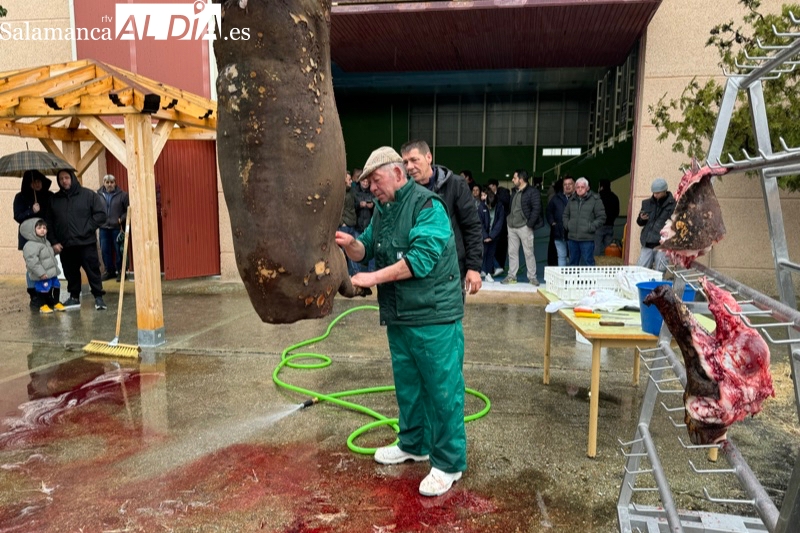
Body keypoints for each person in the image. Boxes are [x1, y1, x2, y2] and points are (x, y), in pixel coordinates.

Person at [335, 146, 466, 497]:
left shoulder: (427, 206)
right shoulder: (384, 210)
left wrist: (371, 279)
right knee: (408, 386)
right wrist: (350, 245)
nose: (371, 189)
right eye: (367, 184)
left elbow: (418, 261)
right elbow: (367, 248)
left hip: (433, 316)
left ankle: (449, 463)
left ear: (397, 173)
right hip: (400, 317)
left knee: (442, 391)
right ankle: (413, 445)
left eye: (375, 181)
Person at [401, 140, 483, 295]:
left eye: (414, 160)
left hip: (451, 271)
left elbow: (472, 227)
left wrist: (473, 268)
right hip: (417, 270)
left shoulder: (456, 185)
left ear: (428, 157)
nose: (409, 167)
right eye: (405, 162)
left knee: (449, 318)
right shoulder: (406, 192)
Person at [47, 169, 107, 310]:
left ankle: (98, 297)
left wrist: (86, 229)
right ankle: (74, 297)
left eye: (67, 177)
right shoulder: (55, 200)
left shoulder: (88, 195)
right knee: (70, 272)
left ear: (73, 178)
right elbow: (49, 222)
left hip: (86, 243)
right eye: (61, 178)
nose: (64, 181)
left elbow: (100, 215)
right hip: (66, 245)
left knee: (93, 270)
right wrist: (54, 241)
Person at [13, 170, 53, 309]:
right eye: (33, 182)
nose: (37, 184)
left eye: (39, 181)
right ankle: (34, 295)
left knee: (47, 265)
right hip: (28, 240)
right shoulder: (20, 197)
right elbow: (18, 216)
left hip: (45, 239)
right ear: (28, 184)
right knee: (32, 266)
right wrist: (31, 211)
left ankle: (47, 293)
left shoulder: (48, 196)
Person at [501, 169, 543, 285]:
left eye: (514, 178)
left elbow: (536, 209)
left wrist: (529, 224)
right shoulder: (514, 191)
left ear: (521, 179)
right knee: (512, 252)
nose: (512, 180)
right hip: (512, 226)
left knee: (528, 252)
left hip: (524, 226)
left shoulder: (532, 192)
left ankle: (532, 277)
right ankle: (511, 276)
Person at [21, 218, 65, 314]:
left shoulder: (46, 242)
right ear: (33, 230)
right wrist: (41, 273)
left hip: (51, 273)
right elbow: (32, 262)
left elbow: (49, 257)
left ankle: (56, 302)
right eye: (39, 228)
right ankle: (42, 305)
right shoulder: (30, 245)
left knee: (56, 286)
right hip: (42, 275)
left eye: (44, 228)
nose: (42, 230)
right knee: (42, 289)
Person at [563, 177, 605, 266]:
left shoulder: (595, 200)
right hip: (572, 238)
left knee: (588, 263)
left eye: (582, 187)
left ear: (587, 188)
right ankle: (572, 280)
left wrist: (590, 227)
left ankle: (590, 280)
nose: (580, 189)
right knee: (572, 264)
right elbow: (565, 215)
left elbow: (602, 217)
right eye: (578, 187)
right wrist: (568, 225)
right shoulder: (572, 200)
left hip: (587, 239)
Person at [636, 177, 676, 272]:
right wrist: (641, 218)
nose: (655, 195)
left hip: (663, 245)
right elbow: (639, 223)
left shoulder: (673, 204)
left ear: (664, 191)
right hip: (647, 243)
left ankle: (658, 287)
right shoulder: (646, 203)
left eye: (657, 193)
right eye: (653, 192)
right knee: (640, 271)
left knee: (660, 272)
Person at [97, 174, 129, 282]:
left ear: (115, 183)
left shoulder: (123, 195)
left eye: (111, 182)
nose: (109, 184)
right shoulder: (98, 195)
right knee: (105, 250)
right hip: (103, 227)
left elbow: (128, 210)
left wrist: (121, 219)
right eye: (107, 182)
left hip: (117, 227)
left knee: (119, 250)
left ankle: (121, 271)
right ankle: (109, 271)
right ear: (104, 183)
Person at [478, 190, 505, 282]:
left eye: (491, 206)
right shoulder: (481, 206)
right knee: (483, 254)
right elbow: (480, 223)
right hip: (484, 235)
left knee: (490, 254)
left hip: (494, 236)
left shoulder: (500, 207)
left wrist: (491, 236)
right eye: (488, 205)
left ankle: (488, 274)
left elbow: (499, 223)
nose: (490, 207)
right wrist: (485, 236)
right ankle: (481, 271)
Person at [546, 176, 574, 266]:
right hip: (559, 232)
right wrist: (552, 223)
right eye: (565, 184)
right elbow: (549, 211)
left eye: (570, 184)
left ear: (574, 185)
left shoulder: (578, 198)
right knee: (561, 257)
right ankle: (562, 279)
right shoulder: (556, 198)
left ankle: (571, 278)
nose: (567, 186)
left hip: (574, 234)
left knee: (573, 257)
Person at [487, 178, 511, 276]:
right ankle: (494, 267)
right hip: (492, 225)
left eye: (492, 185)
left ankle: (500, 266)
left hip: (503, 225)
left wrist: (494, 196)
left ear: (496, 186)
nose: (491, 187)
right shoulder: (488, 194)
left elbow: (506, 202)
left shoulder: (503, 192)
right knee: (492, 247)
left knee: (502, 247)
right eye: (489, 186)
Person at [354, 173, 376, 272]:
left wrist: (373, 205)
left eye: (367, 182)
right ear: (360, 181)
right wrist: (359, 205)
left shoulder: (373, 192)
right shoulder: (354, 192)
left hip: (369, 225)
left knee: (372, 248)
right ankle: (356, 272)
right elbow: (350, 207)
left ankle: (371, 270)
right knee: (355, 249)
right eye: (364, 181)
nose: (365, 183)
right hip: (357, 225)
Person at [339, 171, 359, 276]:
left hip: (352, 224)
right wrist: (342, 223)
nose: (351, 181)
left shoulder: (352, 191)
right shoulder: (339, 194)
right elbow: (336, 210)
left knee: (352, 251)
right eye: (349, 179)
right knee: (344, 252)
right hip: (344, 226)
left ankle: (353, 274)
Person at [594, 179, 620, 256]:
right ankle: (607, 264)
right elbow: (617, 212)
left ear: (601, 187)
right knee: (608, 248)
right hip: (610, 225)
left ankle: (595, 264)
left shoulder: (597, 197)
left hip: (599, 226)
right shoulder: (614, 197)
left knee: (596, 246)